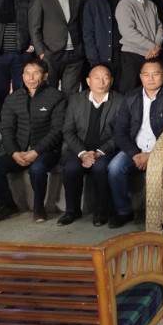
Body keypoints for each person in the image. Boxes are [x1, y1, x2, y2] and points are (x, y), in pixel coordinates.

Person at [0, 59, 67, 223]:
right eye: (27, 73)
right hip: (19, 150)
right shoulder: (13, 98)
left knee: (37, 169)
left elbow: (57, 130)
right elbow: (6, 129)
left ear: (45, 76)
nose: (31, 77)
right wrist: (14, 152)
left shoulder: (56, 97)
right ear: (22, 76)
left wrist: (36, 151)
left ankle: (39, 207)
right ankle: (7, 206)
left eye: (36, 73)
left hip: (46, 151)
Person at [109, 59, 163, 228]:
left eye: (155, 74)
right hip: (134, 150)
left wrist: (152, 155)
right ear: (140, 77)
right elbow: (120, 132)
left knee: (157, 171)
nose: (151, 79)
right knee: (114, 168)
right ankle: (124, 211)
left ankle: (155, 215)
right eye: (146, 74)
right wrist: (133, 153)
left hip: (161, 151)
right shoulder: (131, 97)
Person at [57, 63, 125, 227]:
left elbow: (120, 133)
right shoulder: (76, 99)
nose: (101, 82)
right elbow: (68, 130)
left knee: (100, 168)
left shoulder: (120, 101)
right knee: (71, 169)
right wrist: (82, 153)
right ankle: (72, 211)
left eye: (105, 78)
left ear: (111, 80)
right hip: (79, 150)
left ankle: (101, 211)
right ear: (88, 81)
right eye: (97, 78)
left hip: (106, 150)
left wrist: (100, 151)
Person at [29, 0, 85, 95]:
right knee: (49, 92)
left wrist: (81, 49)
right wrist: (41, 52)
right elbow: (34, 27)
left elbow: (81, 25)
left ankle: (68, 116)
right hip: (51, 53)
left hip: (74, 54)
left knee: (71, 93)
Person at [115, 0, 163, 94]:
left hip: (152, 55)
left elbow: (159, 26)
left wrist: (156, 46)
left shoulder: (151, 4)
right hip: (132, 55)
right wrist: (152, 46)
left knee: (150, 92)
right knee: (130, 92)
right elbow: (128, 32)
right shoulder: (124, 4)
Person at [82, 0, 124, 82]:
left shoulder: (126, 2)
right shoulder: (92, 3)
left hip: (123, 55)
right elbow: (88, 33)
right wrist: (93, 59)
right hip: (101, 54)